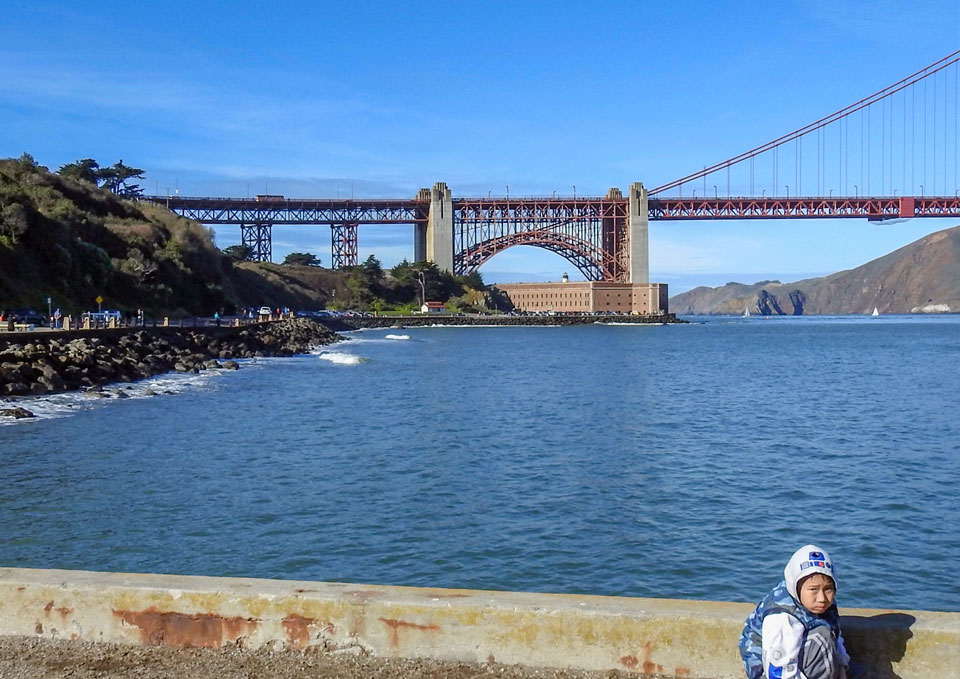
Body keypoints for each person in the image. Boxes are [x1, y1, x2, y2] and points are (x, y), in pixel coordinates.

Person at [739, 545, 850, 679]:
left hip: (803, 655)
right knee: (822, 638)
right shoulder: (782, 617)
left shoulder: (824, 604)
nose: (822, 598)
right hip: (772, 670)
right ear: (796, 588)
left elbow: (836, 636)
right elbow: (777, 670)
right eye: (813, 589)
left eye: (828, 589)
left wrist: (843, 665)